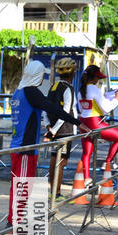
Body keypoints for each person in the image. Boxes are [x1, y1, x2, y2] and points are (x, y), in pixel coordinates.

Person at [7, 60, 88, 225]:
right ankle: (15, 220)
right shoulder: (31, 92)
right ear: (36, 75)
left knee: (20, 185)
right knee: (22, 186)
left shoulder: (18, 91)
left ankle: (15, 218)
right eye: (42, 75)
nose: (42, 79)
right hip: (25, 148)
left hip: (18, 146)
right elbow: (53, 108)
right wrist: (78, 122)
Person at [77, 64, 118, 184]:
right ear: (94, 77)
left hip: (83, 122)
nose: (99, 80)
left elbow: (83, 109)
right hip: (94, 122)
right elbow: (105, 108)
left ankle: (86, 178)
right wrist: (116, 98)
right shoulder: (94, 89)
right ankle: (108, 162)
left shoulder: (81, 90)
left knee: (86, 152)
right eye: (98, 78)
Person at [44, 57, 78, 198]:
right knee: (61, 162)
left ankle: (52, 191)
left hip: (54, 128)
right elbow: (66, 112)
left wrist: (49, 127)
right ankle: (56, 193)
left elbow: (45, 108)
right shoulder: (68, 88)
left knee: (54, 160)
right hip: (65, 130)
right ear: (73, 73)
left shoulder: (53, 87)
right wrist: (55, 130)